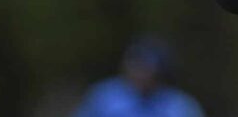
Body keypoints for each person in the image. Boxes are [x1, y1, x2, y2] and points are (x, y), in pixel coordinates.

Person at [74, 37, 205, 117]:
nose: (139, 72)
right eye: (134, 64)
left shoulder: (179, 106)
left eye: (145, 67)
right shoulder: (104, 97)